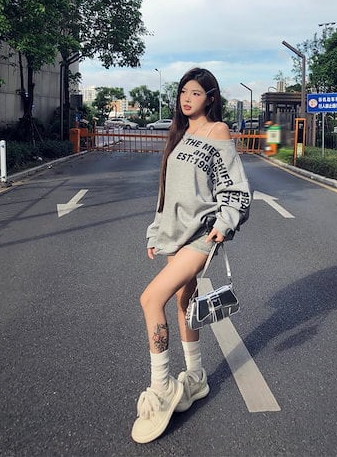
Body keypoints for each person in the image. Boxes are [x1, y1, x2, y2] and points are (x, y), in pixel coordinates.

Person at [131, 67, 251, 444]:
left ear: (210, 98)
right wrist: (156, 231)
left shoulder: (218, 132)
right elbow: (167, 192)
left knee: (151, 299)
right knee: (186, 302)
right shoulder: (179, 134)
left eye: (196, 93)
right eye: (184, 91)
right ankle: (196, 378)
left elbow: (235, 187)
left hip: (201, 235)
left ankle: (162, 387)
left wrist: (225, 223)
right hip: (174, 236)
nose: (187, 98)